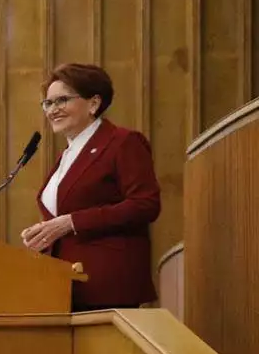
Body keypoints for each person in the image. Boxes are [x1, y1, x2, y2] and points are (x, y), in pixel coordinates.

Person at [21, 62, 162, 310]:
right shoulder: (67, 155)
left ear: (93, 103)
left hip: (107, 285)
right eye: (48, 103)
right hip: (65, 287)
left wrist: (71, 222)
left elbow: (145, 204)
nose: (53, 110)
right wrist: (44, 233)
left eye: (61, 100)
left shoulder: (122, 142)